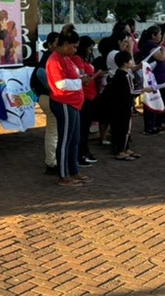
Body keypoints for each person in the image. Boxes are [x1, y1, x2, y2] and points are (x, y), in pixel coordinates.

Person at [46, 26, 89, 187]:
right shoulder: (55, 60)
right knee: (65, 139)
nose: (75, 50)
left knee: (74, 139)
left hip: (73, 103)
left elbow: (72, 76)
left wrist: (80, 78)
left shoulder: (66, 58)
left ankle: (73, 170)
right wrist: (80, 82)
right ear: (65, 45)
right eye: (74, 46)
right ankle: (63, 175)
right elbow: (61, 84)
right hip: (63, 102)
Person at [105, 50, 142, 161]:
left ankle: (124, 148)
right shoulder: (125, 75)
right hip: (124, 105)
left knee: (120, 127)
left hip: (119, 105)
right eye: (130, 60)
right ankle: (121, 150)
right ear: (125, 63)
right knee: (124, 128)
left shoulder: (119, 73)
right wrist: (143, 90)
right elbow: (130, 91)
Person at [31, 32, 60, 175]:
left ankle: (53, 161)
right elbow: (41, 75)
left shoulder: (49, 59)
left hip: (46, 97)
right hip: (49, 97)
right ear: (49, 45)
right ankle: (51, 162)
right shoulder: (48, 60)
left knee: (53, 130)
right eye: (57, 44)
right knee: (53, 130)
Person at [74, 36, 101, 167]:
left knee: (86, 127)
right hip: (83, 96)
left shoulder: (84, 59)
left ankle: (84, 151)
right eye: (89, 49)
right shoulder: (77, 59)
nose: (90, 52)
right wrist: (96, 75)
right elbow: (84, 79)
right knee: (82, 128)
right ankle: (80, 154)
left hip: (90, 95)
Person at [136, 25, 165, 135]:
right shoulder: (151, 46)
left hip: (155, 77)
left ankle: (153, 125)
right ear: (153, 36)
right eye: (159, 34)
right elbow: (161, 57)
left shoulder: (150, 45)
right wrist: (163, 49)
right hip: (152, 77)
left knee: (155, 100)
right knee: (151, 101)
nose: (161, 36)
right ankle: (149, 126)